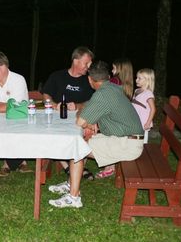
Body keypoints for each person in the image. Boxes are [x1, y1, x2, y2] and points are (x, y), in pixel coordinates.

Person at [48, 61, 144, 208]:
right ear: (107, 76)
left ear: (89, 79)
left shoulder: (102, 95)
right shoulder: (112, 88)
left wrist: (87, 120)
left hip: (127, 145)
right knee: (85, 141)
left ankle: (74, 198)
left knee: (78, 147)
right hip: (128, 139)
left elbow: (80, 121)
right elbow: (90, 110)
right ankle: (70, 184)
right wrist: (91, 121)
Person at [41, 46, 95, 180]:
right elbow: (46, 94)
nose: (88, 67)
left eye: (89, 64)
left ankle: (75, 166)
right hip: (57, 119)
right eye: (86, 63)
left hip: (79, 119)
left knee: (86, 134)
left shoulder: (88, 80)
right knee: (48, 135)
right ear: (76, 61)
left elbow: (92, 101)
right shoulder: (57, 76)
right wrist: (53, 105)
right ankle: (68, 166)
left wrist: (77, 105)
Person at [96, 58, 134, 178]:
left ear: (120, 69)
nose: (112, 71)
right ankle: (111, 165)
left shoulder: (114, 81)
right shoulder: (128, 84)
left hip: (112, 117)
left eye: (114, 68)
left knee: (109, 138)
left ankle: (110, 166)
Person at [132, 68, 156, 144]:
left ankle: (144, 151)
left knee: (143, 140)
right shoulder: (136, 91)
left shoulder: (148, 93)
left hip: (143, 121)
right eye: (136, 77)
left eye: (139, 78)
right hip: (136, 118)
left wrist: (148, 123)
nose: (136, 80)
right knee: (134, 137)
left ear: (147, 80)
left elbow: (153, 109)